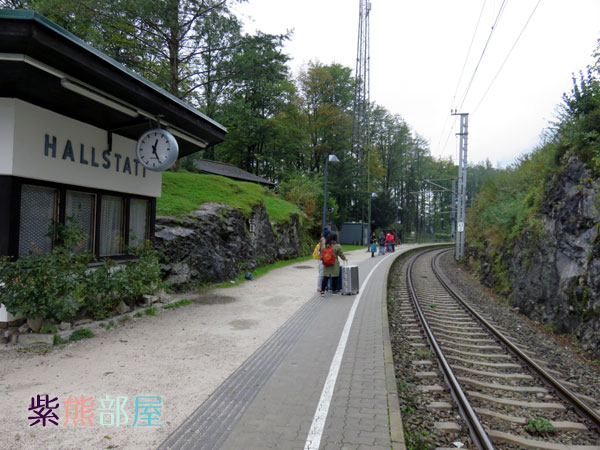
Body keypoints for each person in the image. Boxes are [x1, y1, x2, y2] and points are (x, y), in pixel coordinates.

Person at [316, 227, 331, 293]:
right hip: (322, 260)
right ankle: (319, 287)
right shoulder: (323, 241)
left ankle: (325, 286)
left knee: (326, 274)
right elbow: (323, 251)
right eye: (328, 234)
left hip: (325, 260)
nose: (329, 235)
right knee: (321, 274)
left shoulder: (326, 241)